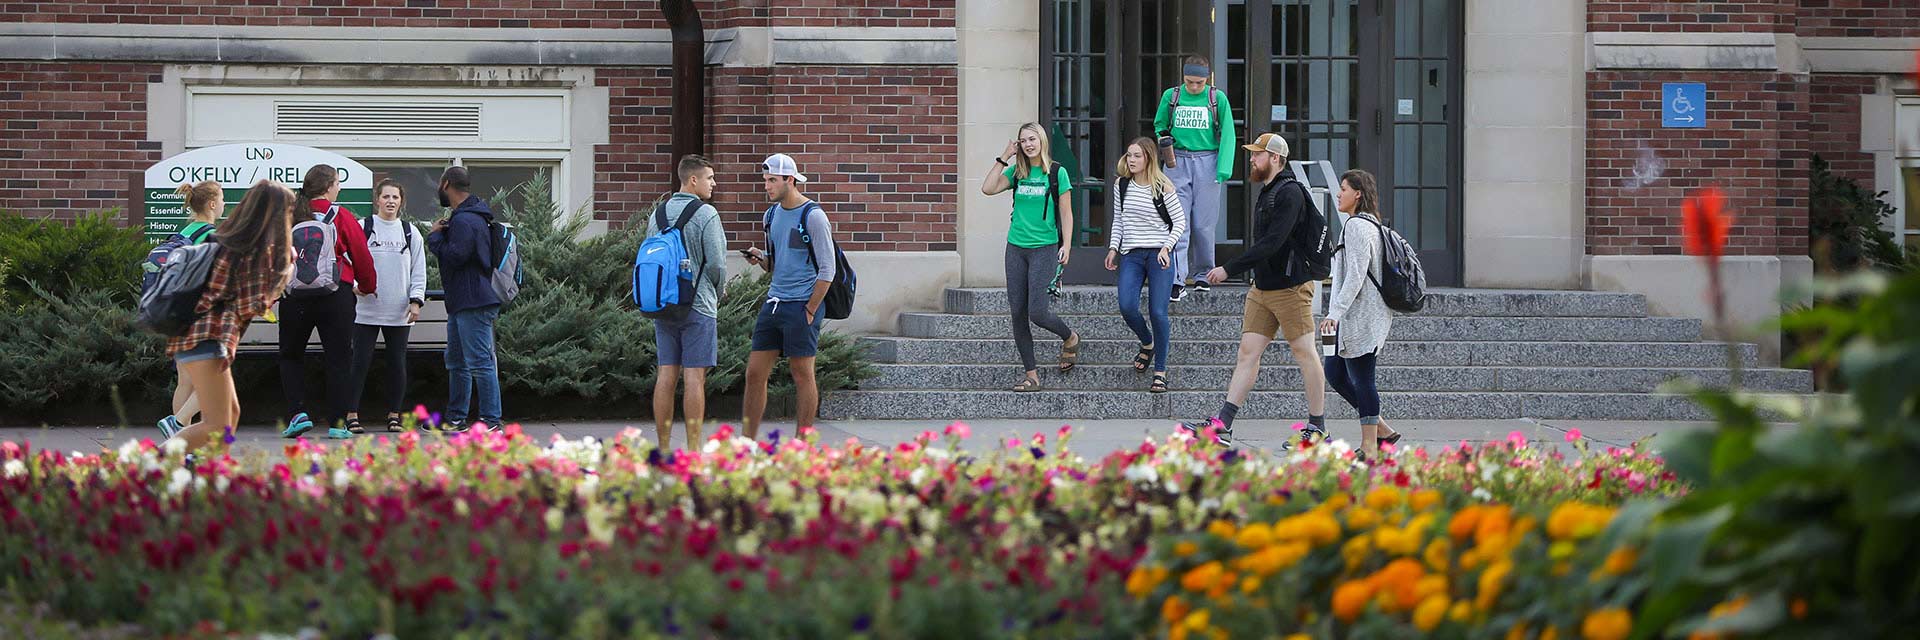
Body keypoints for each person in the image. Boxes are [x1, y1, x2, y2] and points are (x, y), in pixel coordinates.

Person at [1180, 133, 1327, 445]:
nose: (1251, 159)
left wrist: (1228, 268)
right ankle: (1224, 424)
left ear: (1275, 158)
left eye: (1257, 155)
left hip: (1290, 288)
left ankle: (1318, 427)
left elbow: (1273, 243)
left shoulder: (1290, 194)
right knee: (1247, 352)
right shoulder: (1268, 191)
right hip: (1262, 289)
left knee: (1304, 352)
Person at [165, 181, 295, 453]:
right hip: (206, 336)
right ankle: (153, 465)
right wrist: (284, 277)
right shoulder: (246, 247)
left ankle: (206, 472)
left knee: (228, 416)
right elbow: (252, 302)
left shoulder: (233, 238)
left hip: (196, 331)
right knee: (218, 423)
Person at [277, 165, 378, 439]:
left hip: (295, 295)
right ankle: (337, 424)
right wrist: (368, 287)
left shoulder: (291, 215)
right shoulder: (342, 216)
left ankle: (297, 414)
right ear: (329, 186)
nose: (340, 188)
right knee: (339, 358)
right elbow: (362, 256)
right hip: (336, 294)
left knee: (291, 355)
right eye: (338, 183)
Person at [980, 122, 1080, 392]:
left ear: (1042, 141)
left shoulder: (1057, 173)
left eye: (1032, 139)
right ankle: (1031, 374)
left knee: (1037, 311)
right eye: (1023, 141)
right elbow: (987, 188)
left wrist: (1067, 246)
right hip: (1016, 248)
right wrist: (1004, 156)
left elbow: (1067, 213)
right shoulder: (1018, 171)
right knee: (1018, 312)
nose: (1028, 144)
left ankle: (1069, 336)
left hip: (1044, 248)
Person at [740, 153, 834, 439]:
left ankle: (802, 445)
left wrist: (810, 309)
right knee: (754, 374)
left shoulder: (813, 216)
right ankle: (747, 443)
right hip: (774, 301)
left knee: (802, 374)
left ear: (789, 181)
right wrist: (761, 258)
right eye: (765, 180)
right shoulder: (770, 215)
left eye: (772, 181)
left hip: (802, 304)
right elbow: (776, 264)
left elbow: (828, 269)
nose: (766, 186)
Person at [647, 155, 728, 448]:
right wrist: (717, 293)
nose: (713, 184)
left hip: (663, 304)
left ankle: (665, 447)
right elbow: (717, 264)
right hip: (698, 305)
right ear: (693, 180)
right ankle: (693, 449)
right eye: (709, 178)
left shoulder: (658, 214)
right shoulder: (707, 214)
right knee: (695, 379)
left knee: (666, 376)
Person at [1322, 169, 1403, 455]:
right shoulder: (1370, 225)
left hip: (1361, 316)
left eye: (1343, 189)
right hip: (1360, 315)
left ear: (1358, 194)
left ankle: (1370, 445)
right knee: (1334, 371)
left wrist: (1334, 313)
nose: (1338, 193)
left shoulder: (1357, 226)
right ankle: (1381, 428)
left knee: (1363, 378)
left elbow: (1355, 275)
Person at [345, 179, 428, 434]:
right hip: (365, 310)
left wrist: (416, 301)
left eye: (395, 197)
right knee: (359, 363)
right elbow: (347, 261)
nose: (391, 201)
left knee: (397, 363)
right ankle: (351, 414)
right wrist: (356, 284)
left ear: (401, 201)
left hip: (399, 311)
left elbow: (418, 271)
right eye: (386, 197)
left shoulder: (410, 232)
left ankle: (394, 415)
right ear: (377, 200)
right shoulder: (363, 227)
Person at [1105, 137, 1186, 393]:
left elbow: (1180, 223)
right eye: (1129, 155)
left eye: (1137, 156)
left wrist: (1166, 247)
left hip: (1158, 255)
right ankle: (1147, 342)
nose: (1131, 160)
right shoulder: (1122, 185)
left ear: (1148, 158)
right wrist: (1113, 248)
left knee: (1158, 312)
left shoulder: (1163, 186)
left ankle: (1160, 371)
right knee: (1127, 306)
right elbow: (1119, 219)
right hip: (1131, 254)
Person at [1153, 54, 1236, 302]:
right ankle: (1177, 278)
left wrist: (1224, 168)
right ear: (1183, 77)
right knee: (1178, 221)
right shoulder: (1172, 96)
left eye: (1199, 83)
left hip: (1208, 160)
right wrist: (1164, 138)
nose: (1195, 87)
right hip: (1177, 159)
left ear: (1207, 79)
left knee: (1204, 223)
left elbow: (1228, 132)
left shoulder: (1216, 98)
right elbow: (1159, 123)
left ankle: (1203, 273)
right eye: (1190, 82)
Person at [427, 166, 504, 432]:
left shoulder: (464, 220)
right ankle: (456, 418)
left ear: (446, 184)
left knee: (480, 362)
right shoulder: (475, 216)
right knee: (458, 361)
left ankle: (491, 420)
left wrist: (435, 237)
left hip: (473, 301)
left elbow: (457, 256)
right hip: (466, 301)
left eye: (440, 184)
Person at [154, 180, 224, 441]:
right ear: (212, 204)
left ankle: (179, 440)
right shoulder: (210, 235)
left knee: (186, 381)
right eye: (223, 199)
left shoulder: (183, 235)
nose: (224, 204)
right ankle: (179, 423)